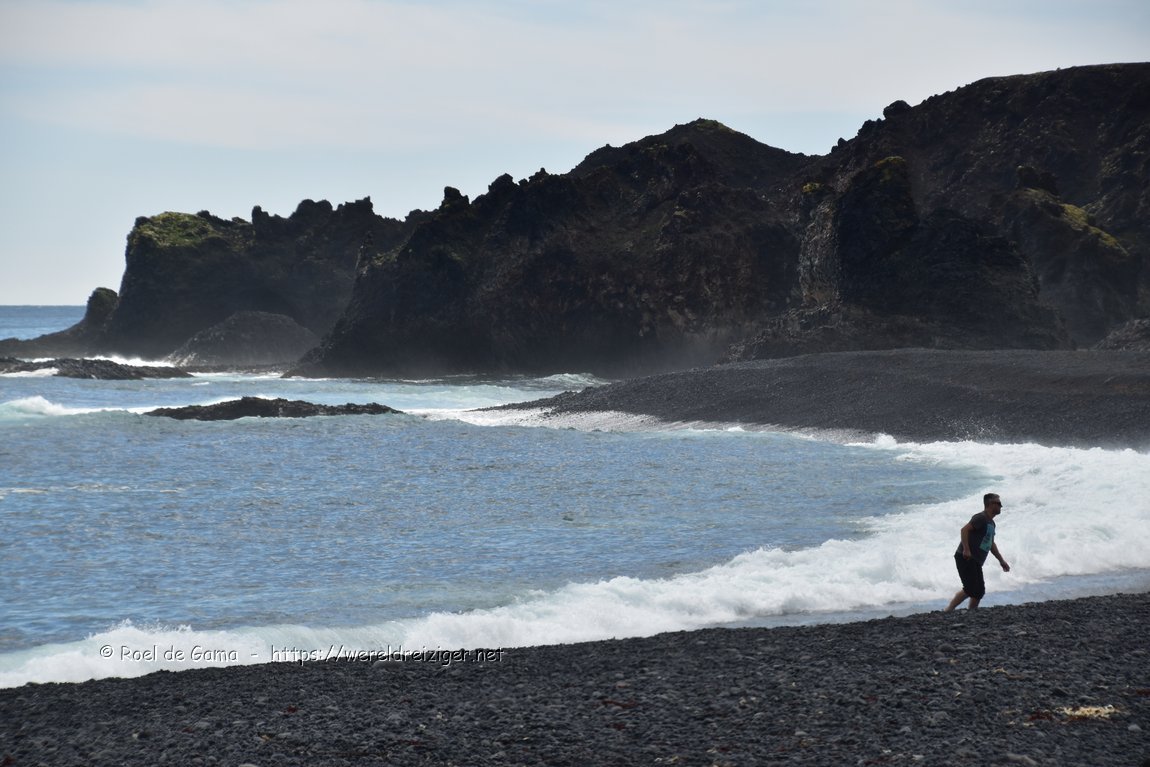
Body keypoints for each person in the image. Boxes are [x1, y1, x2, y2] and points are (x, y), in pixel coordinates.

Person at [945, 493, 1010, 611]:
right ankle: (948, 610)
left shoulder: (991, 523)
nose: (1001, 506)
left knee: (979, 591)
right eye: (999, 503)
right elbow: (964, 530)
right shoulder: (981, 518)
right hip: (965, 556)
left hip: (976, 560)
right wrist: (966, 549)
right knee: (970, 588)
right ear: (990, 504)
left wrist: (1001, 561)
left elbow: (991, 544)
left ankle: (972, 612)